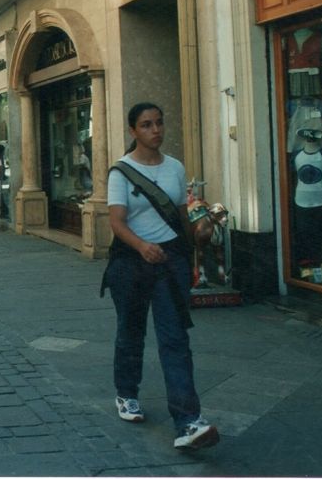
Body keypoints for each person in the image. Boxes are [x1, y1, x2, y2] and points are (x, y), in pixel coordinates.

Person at [104, 102, 219, 451]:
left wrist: (198, 236)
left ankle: (188, 422)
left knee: (175, 339)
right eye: (146, 125)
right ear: (133, 131)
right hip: (131, 263)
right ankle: (126, 393)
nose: (155, 130)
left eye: (159, 123)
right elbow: (116, 222)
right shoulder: (120, 173)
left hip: (170, 263)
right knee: (131, 331)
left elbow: (181, 216)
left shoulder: (174, 168)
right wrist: (141, 246)